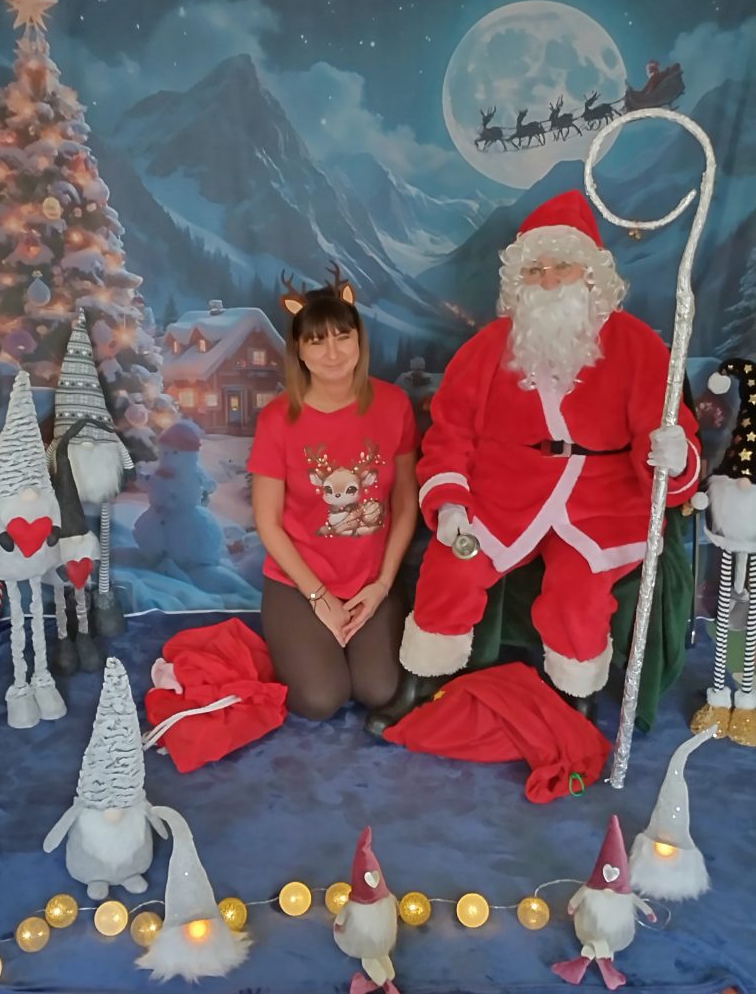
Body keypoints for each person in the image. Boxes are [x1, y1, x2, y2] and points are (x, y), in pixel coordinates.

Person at [371, 190, 700, 727]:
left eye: (561, 267)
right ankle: (422, 678)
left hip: (604, 498)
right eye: (535, 270)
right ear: (518, 281)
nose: (548, 281)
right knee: (452, 568)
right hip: (504, 489)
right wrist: (451, 500)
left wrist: (674, 455)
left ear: (591, 274)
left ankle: (575, 697)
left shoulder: (638, 345)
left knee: (577, 593)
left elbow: (668, 439)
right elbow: (451, 432)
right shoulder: (489, 347)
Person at [248, 266, 419, 721]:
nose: (332, 352)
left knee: (380, 690)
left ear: (359, 340)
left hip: (370, 579)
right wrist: (319, 596)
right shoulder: (278, 419)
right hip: (299, 580)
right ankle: (302, 640)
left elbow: (405, 503)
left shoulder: (394, 405)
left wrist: (382, 585)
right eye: (316, 341)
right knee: (320, 699)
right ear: (299, 351)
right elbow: (267, 521)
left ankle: (348, 641)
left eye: (343, 337)